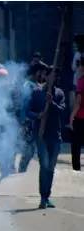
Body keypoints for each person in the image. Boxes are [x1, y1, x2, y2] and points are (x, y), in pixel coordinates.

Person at [27, 66, 65, 209]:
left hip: (55, 135)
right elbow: (28, 111)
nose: (53, 78)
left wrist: (52, 103)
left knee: (51, 168)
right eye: (51, 75)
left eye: (55, 75)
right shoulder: (36, 92)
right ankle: (43, 197)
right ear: (46, 76)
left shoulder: (60, 93)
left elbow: (62, 111)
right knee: (45, 165)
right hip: (41, 135)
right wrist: (38, 115)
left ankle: (47, 196)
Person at [18, 63, 45, 173]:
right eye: (42, 73)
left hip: (36, 121)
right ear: (37, 72)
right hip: (29, 122)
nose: (43, 75)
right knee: (28, 149)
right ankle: (21, 171)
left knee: (32, 149)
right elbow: (25, 107)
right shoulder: (28, 86)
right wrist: (35, 115)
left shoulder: (36, 84)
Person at [70, 57, 84, 171]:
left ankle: (76, 169)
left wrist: (71, 116)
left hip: (80, 117)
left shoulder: (81, 81)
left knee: (76, 145)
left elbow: (78, 102)